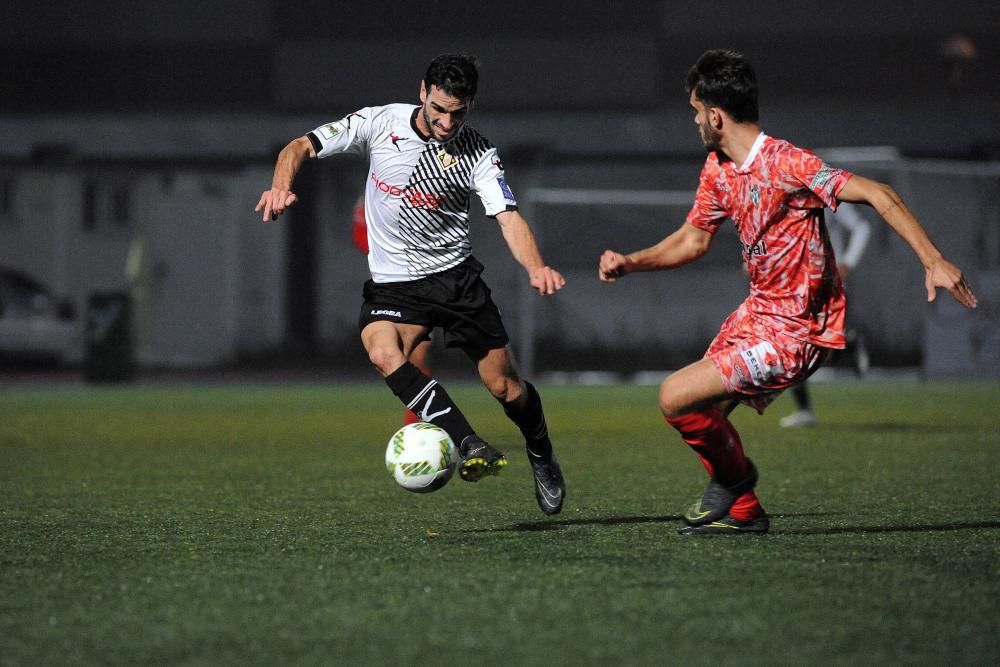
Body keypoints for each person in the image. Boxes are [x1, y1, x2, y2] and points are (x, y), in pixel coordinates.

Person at [598, 49, 977, 536]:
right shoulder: (718, 169)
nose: (694, 122)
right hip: (755, 317)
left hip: (797, 333)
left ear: (715, 115)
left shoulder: (787, 163)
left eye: (696, 112)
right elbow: (693, 240)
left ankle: (737, 481)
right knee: (703, 414)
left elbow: (880, 193)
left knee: (674, 396)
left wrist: (933, 260)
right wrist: (632, 262)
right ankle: (747, 512)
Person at [256, 54, 567, 515]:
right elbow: (298, 146)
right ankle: (468, 442)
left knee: (506, 389)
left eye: (457, 113)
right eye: (439, 109)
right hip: (395, 284)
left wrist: (535, 266)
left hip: (456, 280)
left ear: (471, 107)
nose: (446, 122)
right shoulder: (381, 122)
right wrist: (281, 185)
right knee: (383, 353)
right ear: (423, 91)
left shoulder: (478, 152)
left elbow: (507, 216)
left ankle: (541, 452)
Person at [779, 203, 871, 428]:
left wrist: (848, 261)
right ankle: (805, 410)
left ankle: (847, 346)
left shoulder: (823, 188)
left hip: (824, 282)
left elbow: (862, 227)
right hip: (790, 282)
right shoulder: (775, 190)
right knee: (793, 345)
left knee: (806, 348)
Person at [352, 195, 430, 425]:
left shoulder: (427, 187)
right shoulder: (374, 192)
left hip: (423, 282)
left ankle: (415, 421)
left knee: (417, 355)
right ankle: (417, 417)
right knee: (388, 355)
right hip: (386, 288)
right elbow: (359, 233)